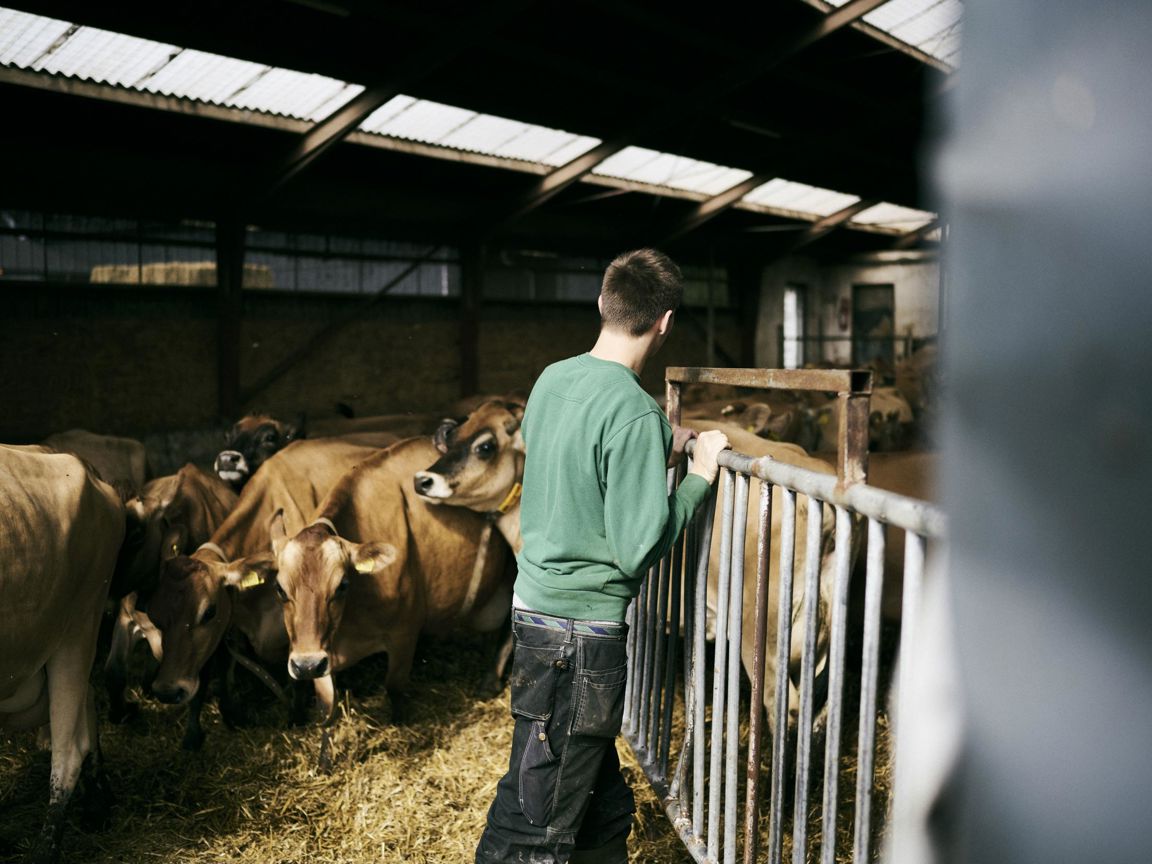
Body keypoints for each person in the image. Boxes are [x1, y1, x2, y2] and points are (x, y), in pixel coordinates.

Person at [475, 248, 730, 864]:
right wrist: (698, 475)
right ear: (665, 322)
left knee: (600, 805)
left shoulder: (551, 379)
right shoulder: (635, 411)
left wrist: (654, 445)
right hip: (580, 636)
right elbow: (639, 547)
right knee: (535, 819)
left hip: (535, 611)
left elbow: (572, 452)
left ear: (602, 302)